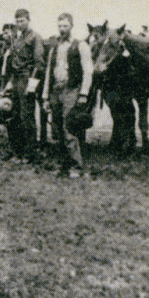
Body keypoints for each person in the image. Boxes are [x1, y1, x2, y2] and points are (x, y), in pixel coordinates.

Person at [42, 13, 94, 178]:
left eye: (65, 26)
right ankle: (63, 164)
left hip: (72, 90)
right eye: (60, 26)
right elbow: (49, 72)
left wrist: (84, 93)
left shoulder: (81, 45)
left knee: (69, 128)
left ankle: (76, 166)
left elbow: (88, 71)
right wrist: (45, 96)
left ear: (71, 26)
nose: (62, 29)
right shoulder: (55, 47)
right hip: (56, 91)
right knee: (57, 129)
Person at [3, 8, 44, 163]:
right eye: (17, 21)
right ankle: (16, 151)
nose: (20, 24)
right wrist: (10, 83)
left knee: (26, 117)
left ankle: (30, 153)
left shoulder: (35, 37)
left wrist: (31, 85)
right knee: (12, 116)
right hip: (16, 79)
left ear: (28, 20)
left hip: (27, 79)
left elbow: (39, 64)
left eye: (22, 21)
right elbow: (14, 64)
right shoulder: (16, 39)